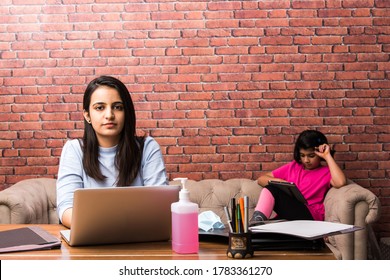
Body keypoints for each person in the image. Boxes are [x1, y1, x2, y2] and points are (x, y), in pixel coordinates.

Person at [57, 75, 168, 228]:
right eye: (99, 107)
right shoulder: (74, 150)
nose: (109, 115)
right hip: (91, 239)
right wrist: (108, 227)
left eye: (117, 107)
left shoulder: (147, 147)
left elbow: (160, 206)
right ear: (87, 115)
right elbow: (66, 209)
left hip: (139, 241)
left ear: (126, 112)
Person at [250, 130, 347, 225]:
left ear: (319, 154)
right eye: (302, 155)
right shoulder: (294, 166)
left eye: (311, 155)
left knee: (272, 189)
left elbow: (341, 182)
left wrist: (327, 155)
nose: (306, 160)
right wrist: (280, 182)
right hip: (291, 214)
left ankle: (255, 223)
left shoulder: (327, 172)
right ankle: (256, 223)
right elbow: (261, 180)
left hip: (310, 215)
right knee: (261, 233)